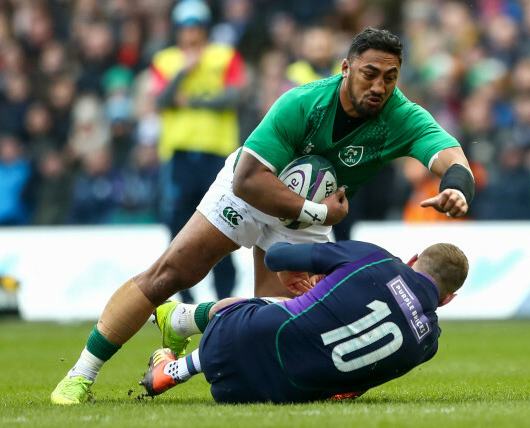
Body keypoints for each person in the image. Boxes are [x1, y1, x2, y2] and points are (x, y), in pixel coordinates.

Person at [51, 27, 475, 404]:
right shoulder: (302, 102)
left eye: (390, 77)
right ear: (346, 68)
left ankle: (182, 320)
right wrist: (318, 210)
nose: (379, 87)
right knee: (170, 274)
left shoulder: (402, 117)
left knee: (289, 320)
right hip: (256, 191)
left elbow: (451, 156)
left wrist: (456, 186)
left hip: (311, 218)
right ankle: (80, 375)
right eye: (369, 74)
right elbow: (247, 180)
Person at [139, 239, 469, 403]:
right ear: (448, 299)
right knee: (304, 330)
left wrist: (308, 271)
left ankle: (175, 366)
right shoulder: (430, 343)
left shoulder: (378, 258)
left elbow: (277, 256)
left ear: (412, 261)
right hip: (261, 394)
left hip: (232, 340)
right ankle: (177, 340)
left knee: (274, 307)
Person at [151, 0, 245, 303]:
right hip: (180, 156)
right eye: (185, 27)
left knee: (222, 226)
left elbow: (231, 98)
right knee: (179, 230)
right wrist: (183, 72)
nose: (190, 33)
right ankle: (185, 300)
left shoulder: (225, 56)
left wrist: (189, 100)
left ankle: (224, 298)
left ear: (204, 28)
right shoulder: (166, 60)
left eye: (196, 27)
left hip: (217, 155)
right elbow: (162, 100)